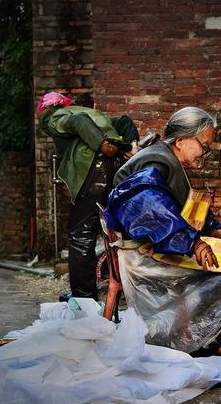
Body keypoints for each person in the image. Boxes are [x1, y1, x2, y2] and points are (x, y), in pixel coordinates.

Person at [105, 106, 221, 355]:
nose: (205, 153)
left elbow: (180, 209)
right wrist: (193, 242)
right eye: (204, 146)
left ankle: (210, 335)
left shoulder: (168, 160)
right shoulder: (155, 161)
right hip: (142, 256)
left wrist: (212, 231)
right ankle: (209, 341)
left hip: (160, 246)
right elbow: (151, 210)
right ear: (182, 140)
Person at [37, 92, 139, 300]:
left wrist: (101, 144)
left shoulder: (53, 116)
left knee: (80, 235)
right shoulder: (90, 111)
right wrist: (131, 147)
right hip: (113, 168)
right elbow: (124, 121)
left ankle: (83, 297)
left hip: (95, 170)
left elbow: (77, 121)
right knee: (111, 231)